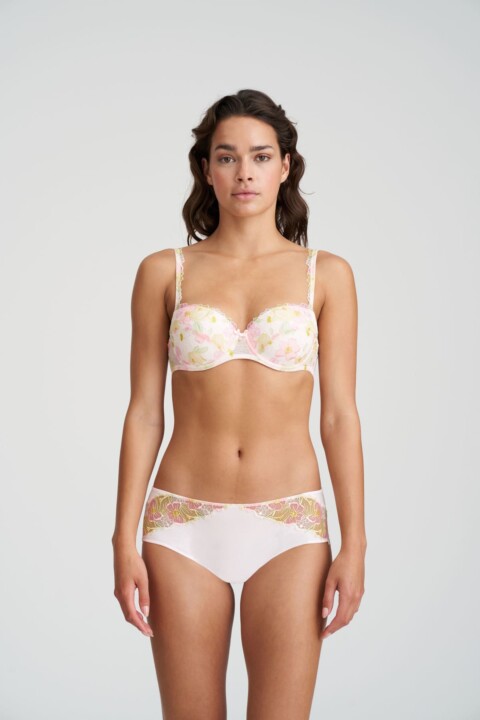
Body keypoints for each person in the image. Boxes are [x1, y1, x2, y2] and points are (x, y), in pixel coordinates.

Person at [111, 88, 366, 719]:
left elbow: (339, 416)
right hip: (181, 524)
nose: (244, 172)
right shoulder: (163, 271)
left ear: (285, 167)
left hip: (291, 525)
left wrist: (355, 542)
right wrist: (122, 539)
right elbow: (144, 411)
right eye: (227, 157)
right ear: (207, 169)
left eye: (260, 156)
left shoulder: (327, 274)